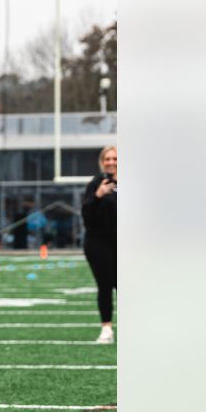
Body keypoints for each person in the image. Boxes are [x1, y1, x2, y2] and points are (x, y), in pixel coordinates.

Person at [82, 145, 117, 343]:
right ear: (102, 162)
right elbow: (86, 214)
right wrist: (98, 195)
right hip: (98, 242)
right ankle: (106, 329)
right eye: (108, 159)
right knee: (105, 285)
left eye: (115, 158)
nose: (111, 162)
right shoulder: (96, 183)